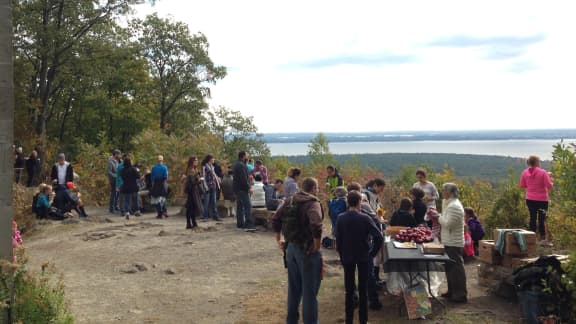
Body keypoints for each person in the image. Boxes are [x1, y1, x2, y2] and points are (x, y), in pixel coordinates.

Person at [272, 177, 324, 324]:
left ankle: (291, 321)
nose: (318, 190)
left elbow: (276, 219)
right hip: (307, 251)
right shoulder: (312, 203)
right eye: (317, 188)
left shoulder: (290, 200)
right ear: (314, 188)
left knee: (294, 290)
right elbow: (316, 224)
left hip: (291, 249)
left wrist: (279, 239)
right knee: (309, 292)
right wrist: (317, 244)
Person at [336, 190, 384, 324]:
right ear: (359, 202)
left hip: (348, 257)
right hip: (364, 257)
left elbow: (338, 240)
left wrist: (341, 255)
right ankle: (363, 321)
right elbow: (378, 237)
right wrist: (372, 253)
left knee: (349, 290)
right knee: (363, 290)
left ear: (347, 202)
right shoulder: (365, 218)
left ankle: (348, 320)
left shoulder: (341, 217)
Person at [438, 183, 467, 303]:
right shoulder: (449, 203)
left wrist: (437, 217)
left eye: (443, 190)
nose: (442, 192)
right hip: (449, 241)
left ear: (449, 192)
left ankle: (460, 295)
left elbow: (448, 223)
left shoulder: (454, 206)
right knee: (450, 268)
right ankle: (451, 291)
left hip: (454, 243)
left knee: (456, 270)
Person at [519, 155, 553, 245]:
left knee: (532, 218)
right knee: (542, 219)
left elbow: (522, 185)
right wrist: (551, 179)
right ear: (537, 162)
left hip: (530, 198)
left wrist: (531, 184)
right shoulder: (543, 172)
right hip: (542, 199)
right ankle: (542, 239)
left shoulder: (524, 172)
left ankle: (532, 238)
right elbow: (549, 186)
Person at [233, 151, 255, 231]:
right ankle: (249, 224)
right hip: (242, 189)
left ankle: (240, 224)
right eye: (247, 155)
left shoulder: (237, 164)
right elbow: (243, 178)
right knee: (248, 206)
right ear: (243, 156)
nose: (248, 156)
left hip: (237, 189)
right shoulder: (241, 165)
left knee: (240, 207)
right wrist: (248, 187)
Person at [183, 156, 204, 228]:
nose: (197, 161)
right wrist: (199, 180)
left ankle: (191, 223)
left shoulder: (194, 169)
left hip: (193, 189)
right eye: (195, 160)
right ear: (192, 161)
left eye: (197, 160)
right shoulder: (191, 169)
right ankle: (190, 223)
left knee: (191, 207)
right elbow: (192, 181)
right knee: (191, 207)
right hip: (192, 190)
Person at [201, 154, 221, 221]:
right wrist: (205, 187)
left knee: (214, 202)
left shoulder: (212, 167)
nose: (214, 160)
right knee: (206, 202)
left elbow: (214, 175)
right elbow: (203, 177)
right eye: (213, 159)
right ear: (210, 159)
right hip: (208, 187)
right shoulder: (204, 167)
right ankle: (205, 216)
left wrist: (217, 180)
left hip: (213, 186)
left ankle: (215, 216)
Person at [107, 149, 121, 214]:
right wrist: (116, 176)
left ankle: (116, 206)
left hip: (118, 180)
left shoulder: (118, 161)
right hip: (113, 180)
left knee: (118, 194)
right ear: (115, 154)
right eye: (118, 154)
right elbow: (109, 172)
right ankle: (111, 208)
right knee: (114, 194)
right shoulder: (110, 161)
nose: (119, 156)